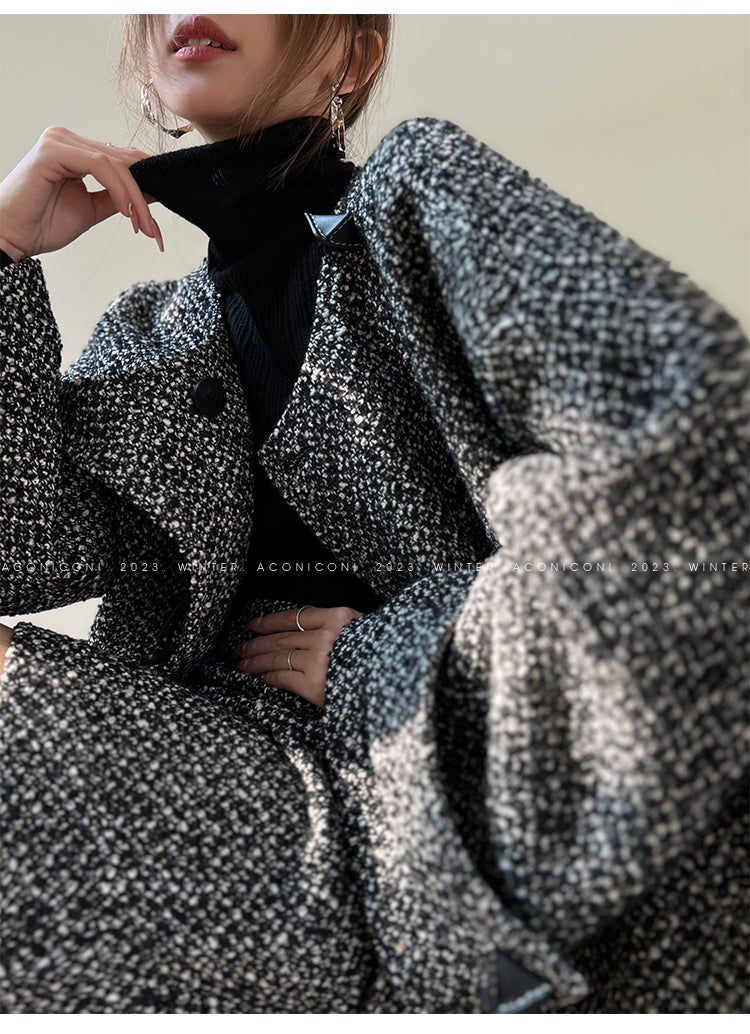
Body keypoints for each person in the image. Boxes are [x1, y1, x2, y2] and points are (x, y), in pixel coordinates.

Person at [0, 13, 747, 1015]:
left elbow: (698, 479)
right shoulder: (148, 338)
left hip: (474, 835)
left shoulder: (420, 201)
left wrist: (381, 663)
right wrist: (0, 252)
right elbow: (19, 549)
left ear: (350, 53)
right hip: (247, 821)